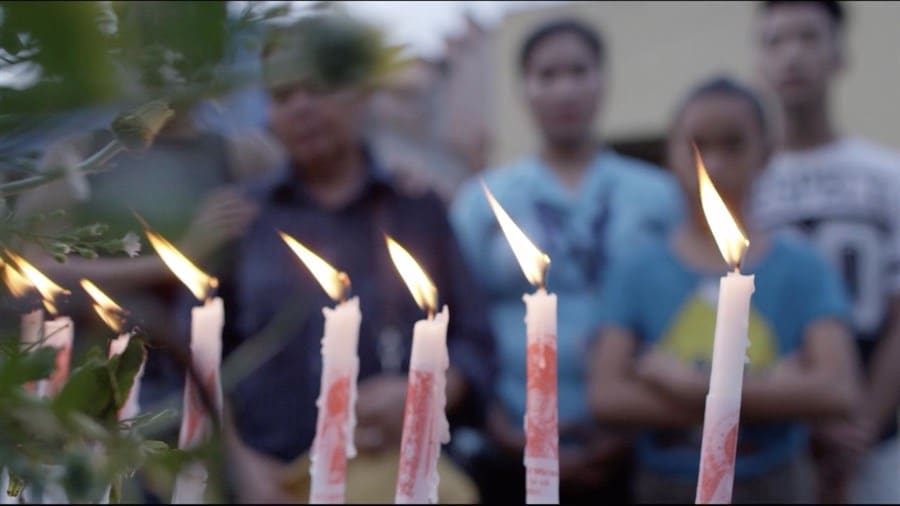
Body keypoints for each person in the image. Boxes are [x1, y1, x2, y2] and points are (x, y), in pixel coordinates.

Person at [218, 12, 496, 503]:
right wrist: (239, 463)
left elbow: (474, 339)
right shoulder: (241, 219)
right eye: (283, 95)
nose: (302, 107)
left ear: (361, 92)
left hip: (400, 479)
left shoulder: (417, 209)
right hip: (275, 484)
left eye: (319, 86)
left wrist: (428, 392)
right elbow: (193, 356)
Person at [589, 75, 861, 503]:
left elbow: (837, 390)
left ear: (766, 153)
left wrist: (684, 384)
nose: (714, 164)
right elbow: (607, 398)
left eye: (734, 144)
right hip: (667, 483)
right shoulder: (635, 270)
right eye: (698, 146)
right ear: (670, 153)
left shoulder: (802, 266)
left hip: (778, 482)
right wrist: (777, 388)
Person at [450, 18, 682, 503]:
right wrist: (491, 417)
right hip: (509, 437)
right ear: (524, 88)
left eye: (579, 71)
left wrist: (637, 421)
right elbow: (459, 318)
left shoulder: (658, 194)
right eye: (547, 75)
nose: (565, 89)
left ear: (603, 79)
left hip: (639, 440)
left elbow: (678, 309)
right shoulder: (483, 200)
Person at [751, 1, 900, 502]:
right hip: (772, 441)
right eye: (775, 40)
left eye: (808, 38)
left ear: (840, 55)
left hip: (876, 440)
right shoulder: (745, 187)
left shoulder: (887, 174)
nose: (792, 56)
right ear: (759, 61)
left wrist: (862, 422)